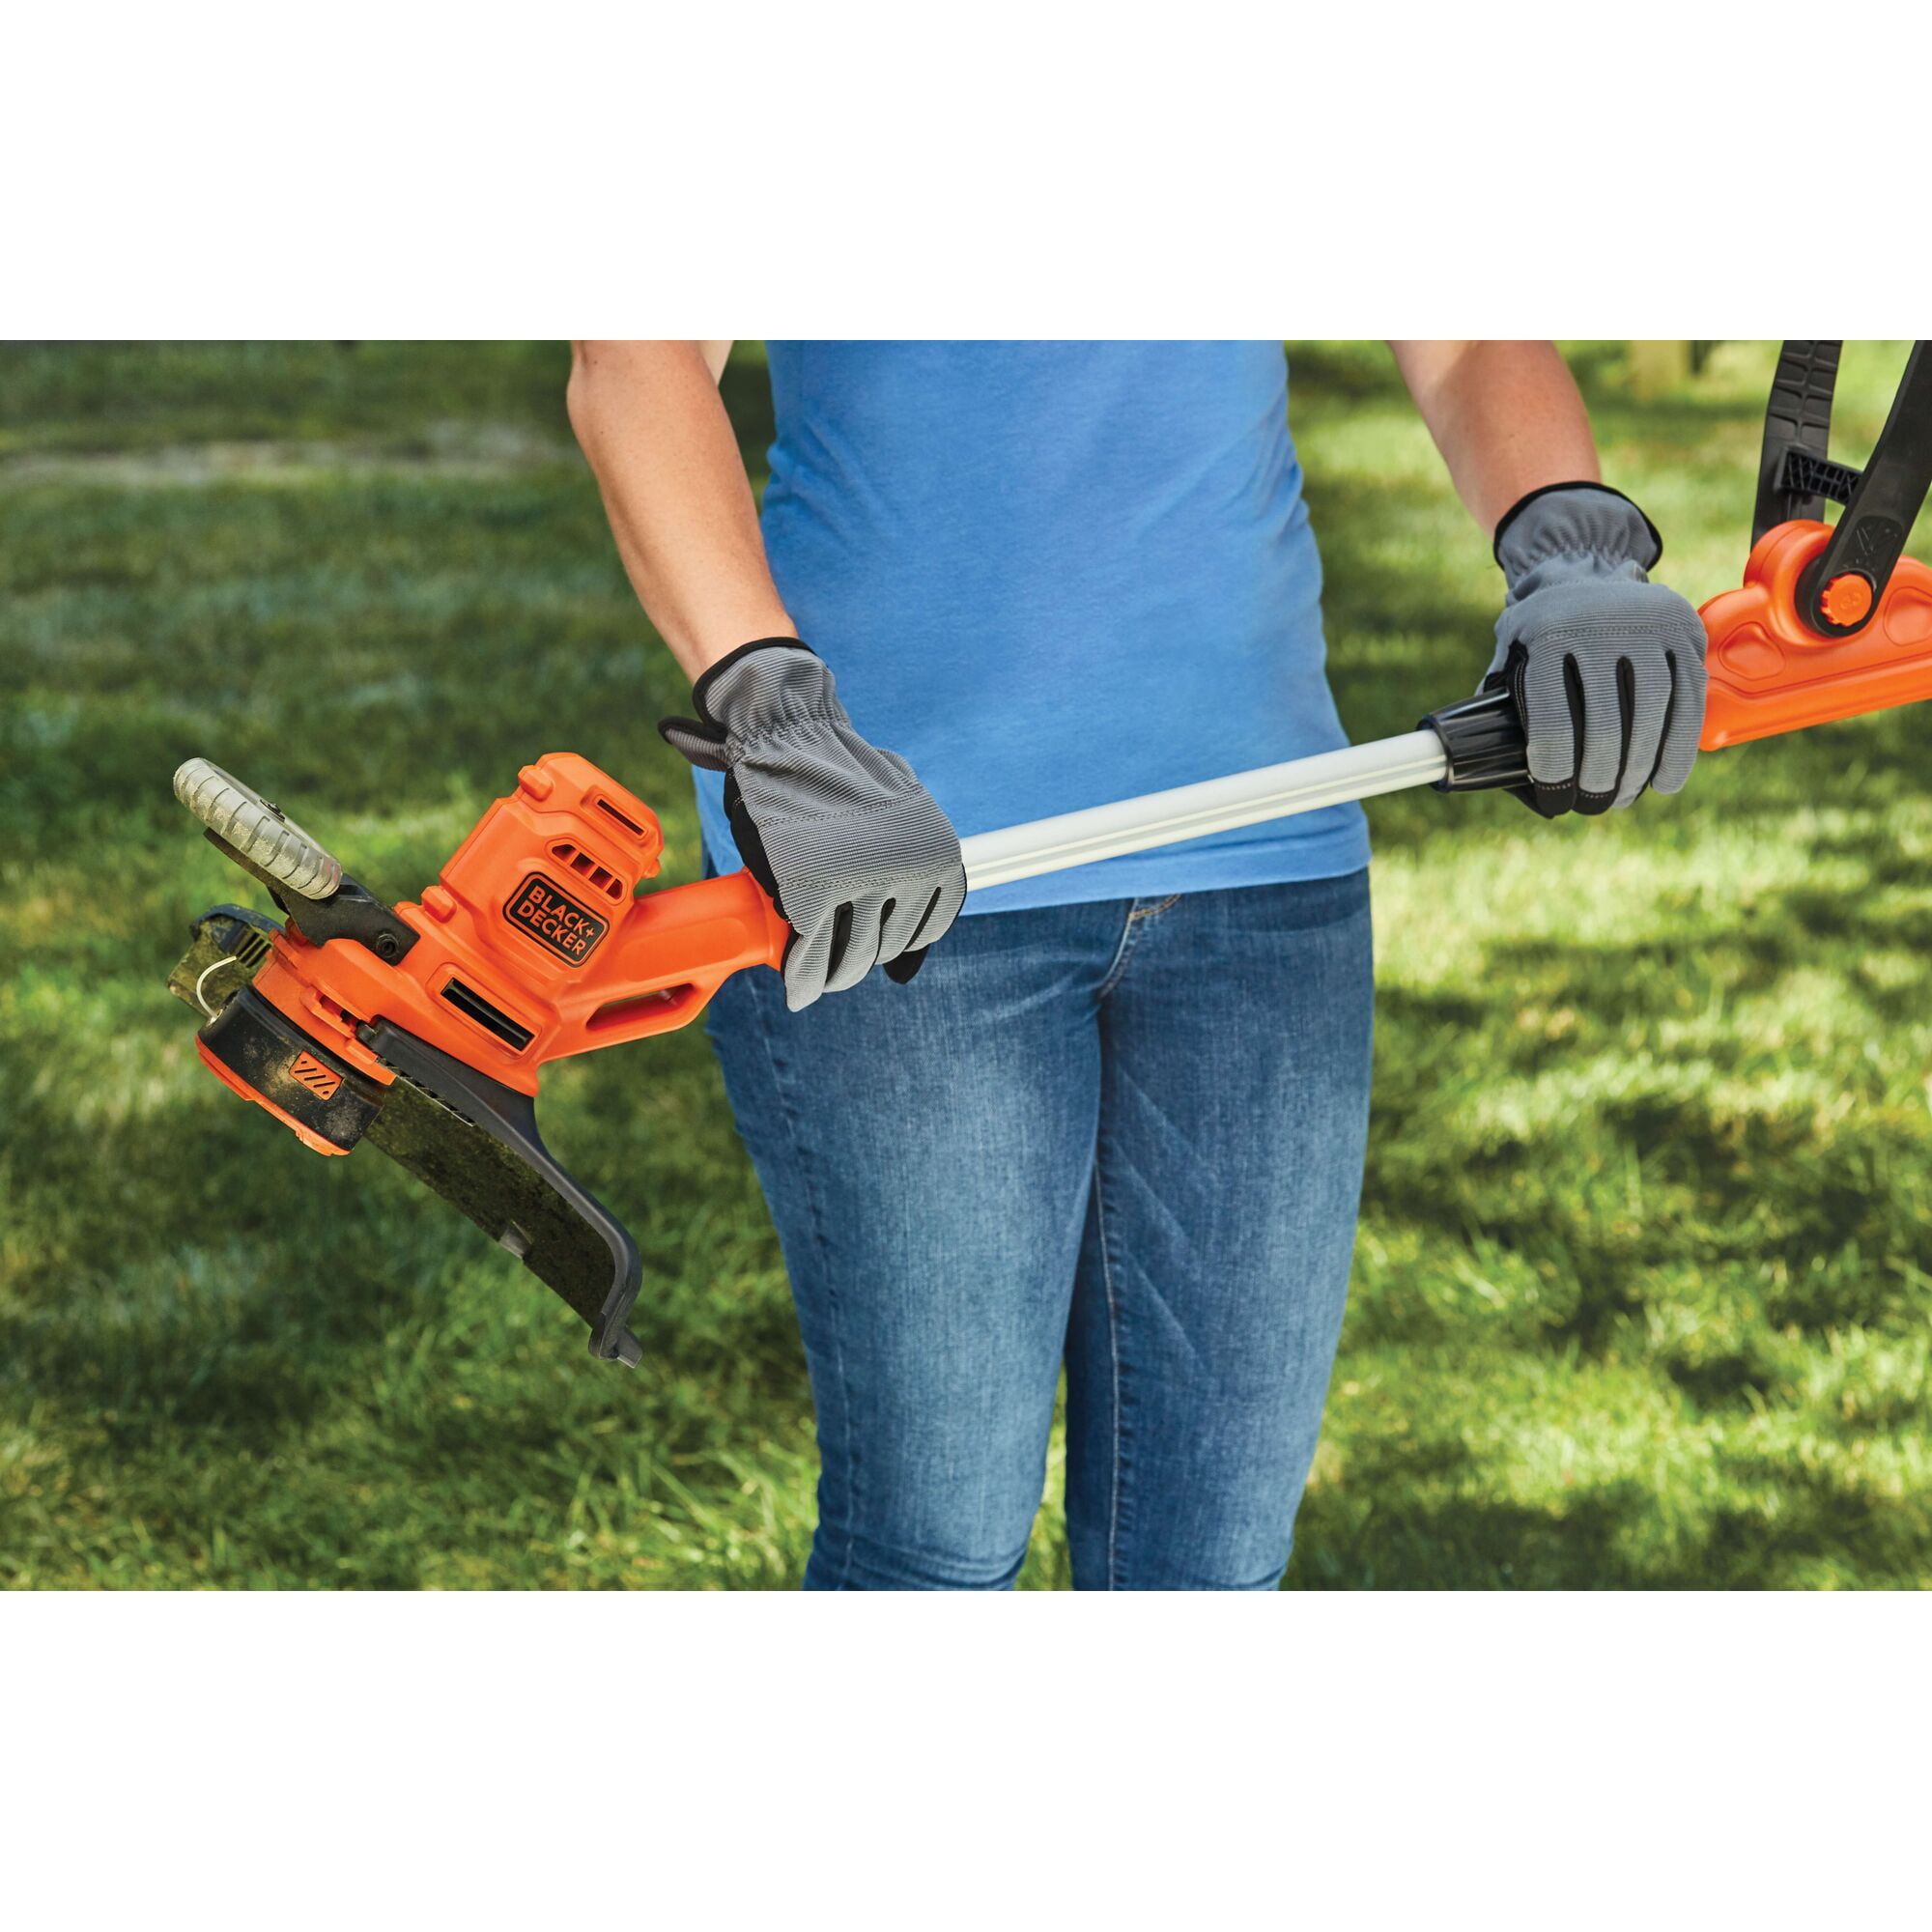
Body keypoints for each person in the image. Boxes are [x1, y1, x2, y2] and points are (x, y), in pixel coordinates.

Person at [569, 341, 1707, 1590]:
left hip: (1264, 861)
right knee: (936, 1553)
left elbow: (1469, 339)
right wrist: (769, 707)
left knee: (1211, 1567)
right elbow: (636, 354)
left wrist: (1568, 541)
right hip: (885, 868)